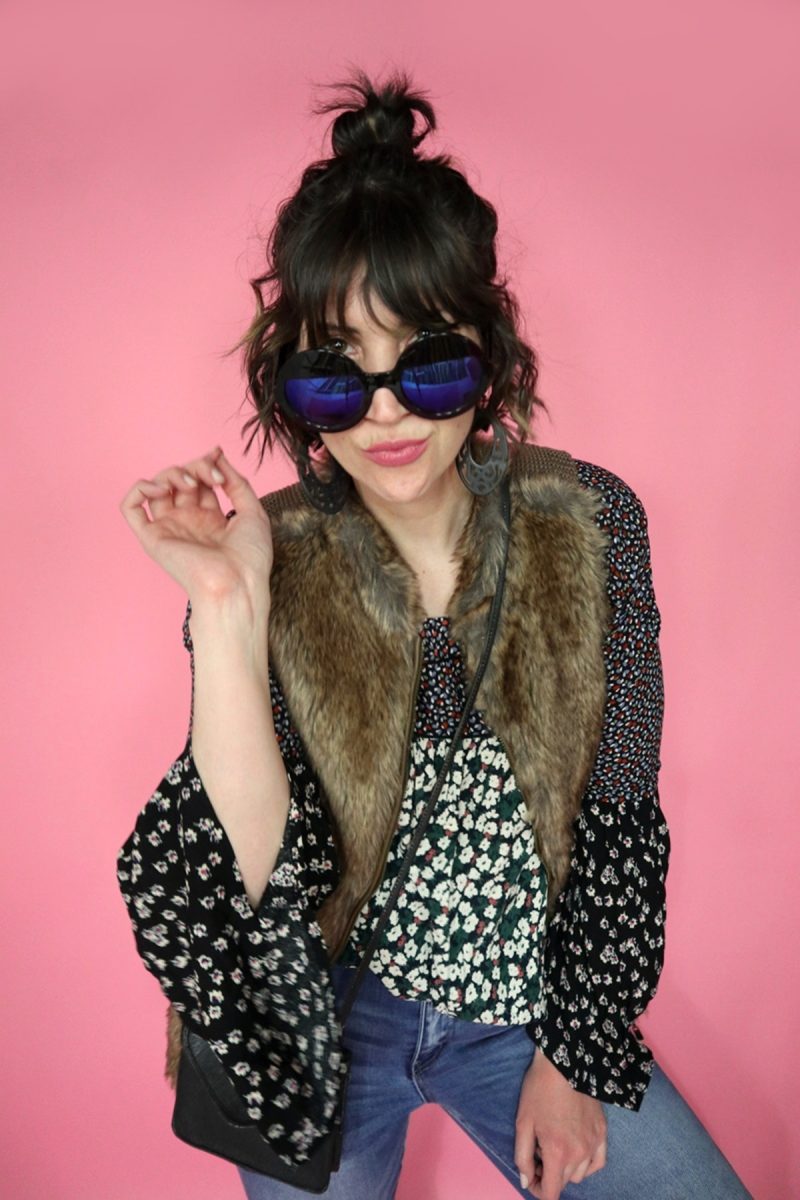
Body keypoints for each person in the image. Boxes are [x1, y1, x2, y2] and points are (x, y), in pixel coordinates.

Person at [117, 69, 753, 1200]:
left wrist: (569, 1053)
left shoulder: (589, 523)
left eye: (429, 360)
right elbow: (253, 875)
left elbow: (617, 805)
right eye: (335, 377)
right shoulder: (266, 549)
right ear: (291, 390)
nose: (388, 412)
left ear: (488, 353)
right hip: (325, 1016)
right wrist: (228, 607)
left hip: (524, 1007)